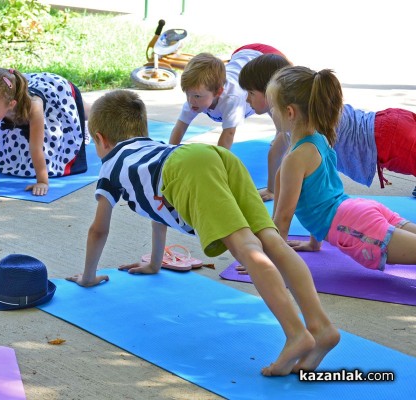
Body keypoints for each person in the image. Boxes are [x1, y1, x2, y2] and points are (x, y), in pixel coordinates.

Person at [67, 89, 339, 376]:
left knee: (246, 248)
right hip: (217, 156)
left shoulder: (111, 166)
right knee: (270, 240)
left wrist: (87, 277)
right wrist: (155, 262)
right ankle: (321, 327)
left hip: (188, 165)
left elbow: (99, 229)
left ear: (99, 139)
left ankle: (296, 334)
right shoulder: (151, 148)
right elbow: (156, 213)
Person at [267, 65, 416, 271]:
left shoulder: (295, 157)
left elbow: (282, 219)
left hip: (353, 225)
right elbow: (318, 195)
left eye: (272, 107)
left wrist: (268, 265)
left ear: (290, 112)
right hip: (358, 210)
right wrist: (314, 243)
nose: (271, 112)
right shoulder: (319, 138)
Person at [239, 53, 416, 200]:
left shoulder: (302, 119)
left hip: (390, 139)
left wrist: (274, 189)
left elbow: (284, 153)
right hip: (390, 126)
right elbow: (278, 150)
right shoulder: (300, 108)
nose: (247, 100)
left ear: (270, 91)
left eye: (251, 93)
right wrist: (272, 189)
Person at [0, 68, 88, 206]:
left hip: (56, 93)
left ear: (11, 104)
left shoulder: (34, 107)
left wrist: (42, 181)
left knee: (87, 114)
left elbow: (36, 147)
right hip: (13, 103)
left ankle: (91, 115)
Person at [168, 44, 286, 149]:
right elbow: (180, 127)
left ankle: (282, 133)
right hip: (242, 54)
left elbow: (229, 134)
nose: (190, 101)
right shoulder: (196, 97)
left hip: (266, 56)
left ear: (218, 92)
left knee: (273, 102)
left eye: (197, 96)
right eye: (187, 94)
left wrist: (218, 163)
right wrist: (168, 155)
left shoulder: (232, 99)